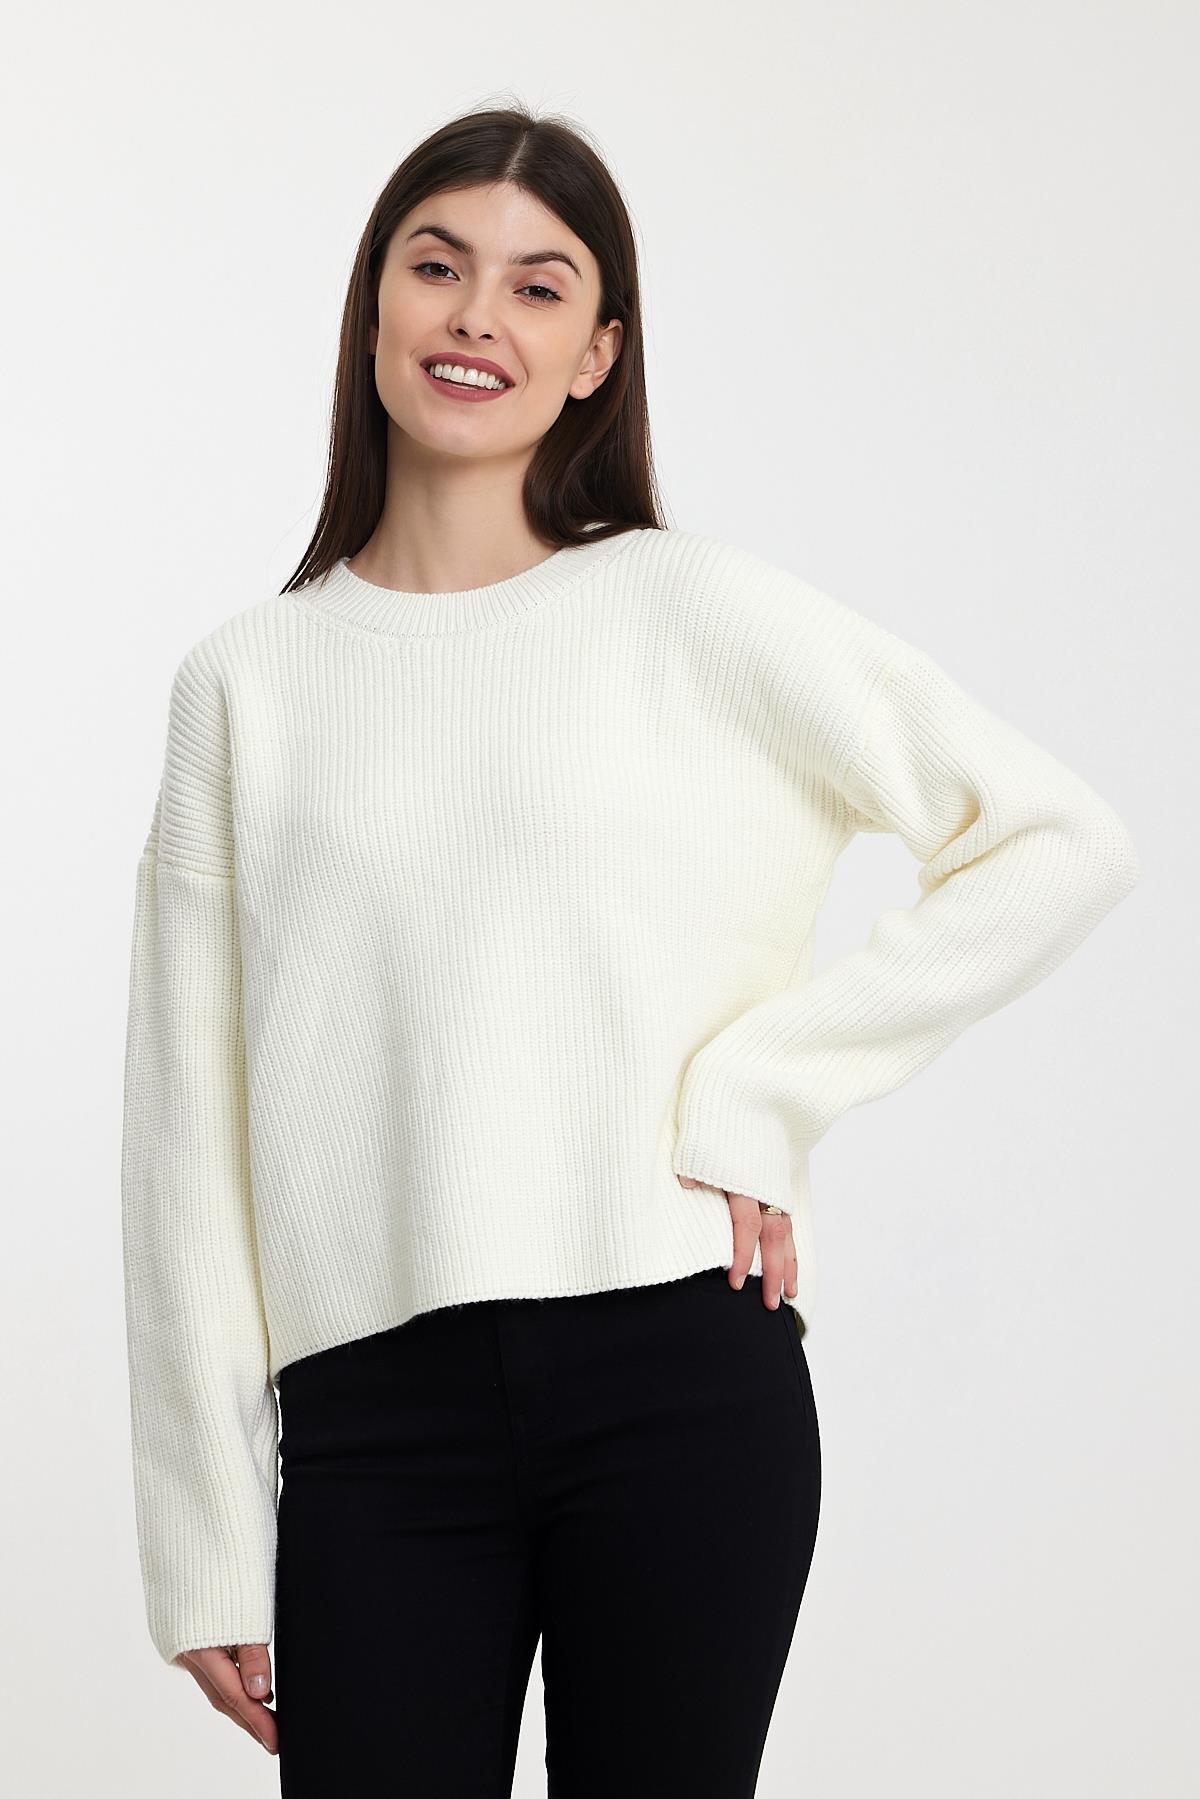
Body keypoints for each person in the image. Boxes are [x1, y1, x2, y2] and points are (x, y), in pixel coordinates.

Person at [119, 105, 1140, 1796]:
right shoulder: (245, 685)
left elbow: (1056, 840)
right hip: (372, 1424)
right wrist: (205, 1537)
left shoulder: (692, 611)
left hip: (674, 1378)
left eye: (539, 288)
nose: (477, 319)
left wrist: (764, 1093)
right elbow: (185, 1139)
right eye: (437, 268)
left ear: (598, 354)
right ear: (373, 305)